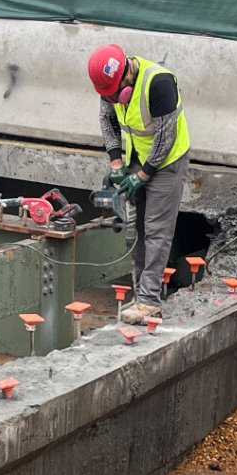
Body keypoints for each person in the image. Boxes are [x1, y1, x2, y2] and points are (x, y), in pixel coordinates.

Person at [87, 44, 190, 325]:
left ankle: (149, 301)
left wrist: (142, 175)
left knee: (157, 230)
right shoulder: (108, 86)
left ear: (126, 74)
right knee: (139, 229)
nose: (111, 99)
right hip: (136, 156)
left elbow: (165, 137)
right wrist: (117, 164)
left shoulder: (159, 84)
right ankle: (141, 293)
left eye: (113, 93)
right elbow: (107, 121)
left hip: (167, 161)